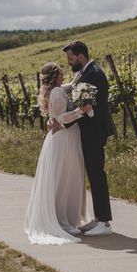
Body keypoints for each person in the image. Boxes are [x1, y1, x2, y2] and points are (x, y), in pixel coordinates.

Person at [24, 62, 92, 244]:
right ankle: (64, 221)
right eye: (61, 71)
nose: (64, 73)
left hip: (63, 137)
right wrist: (81, 111)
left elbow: (71, 85)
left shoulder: (56, 90)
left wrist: (82, 71)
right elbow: (62, 118)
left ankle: (67, 219)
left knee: (64, 178)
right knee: (66, 179)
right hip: (65, 139)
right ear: (56, 75)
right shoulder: (57, 92)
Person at [54, 41, 115, 236]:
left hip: (94, 131)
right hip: (89, 131)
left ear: (81, 56)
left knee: (97, 173)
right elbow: (75, 96)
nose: (69, 62)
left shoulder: (94, 74)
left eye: (71, 58)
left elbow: (86, 106)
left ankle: (104, 223)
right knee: (93, 172)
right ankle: (98, 218)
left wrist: (62, 122)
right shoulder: (85, 73)